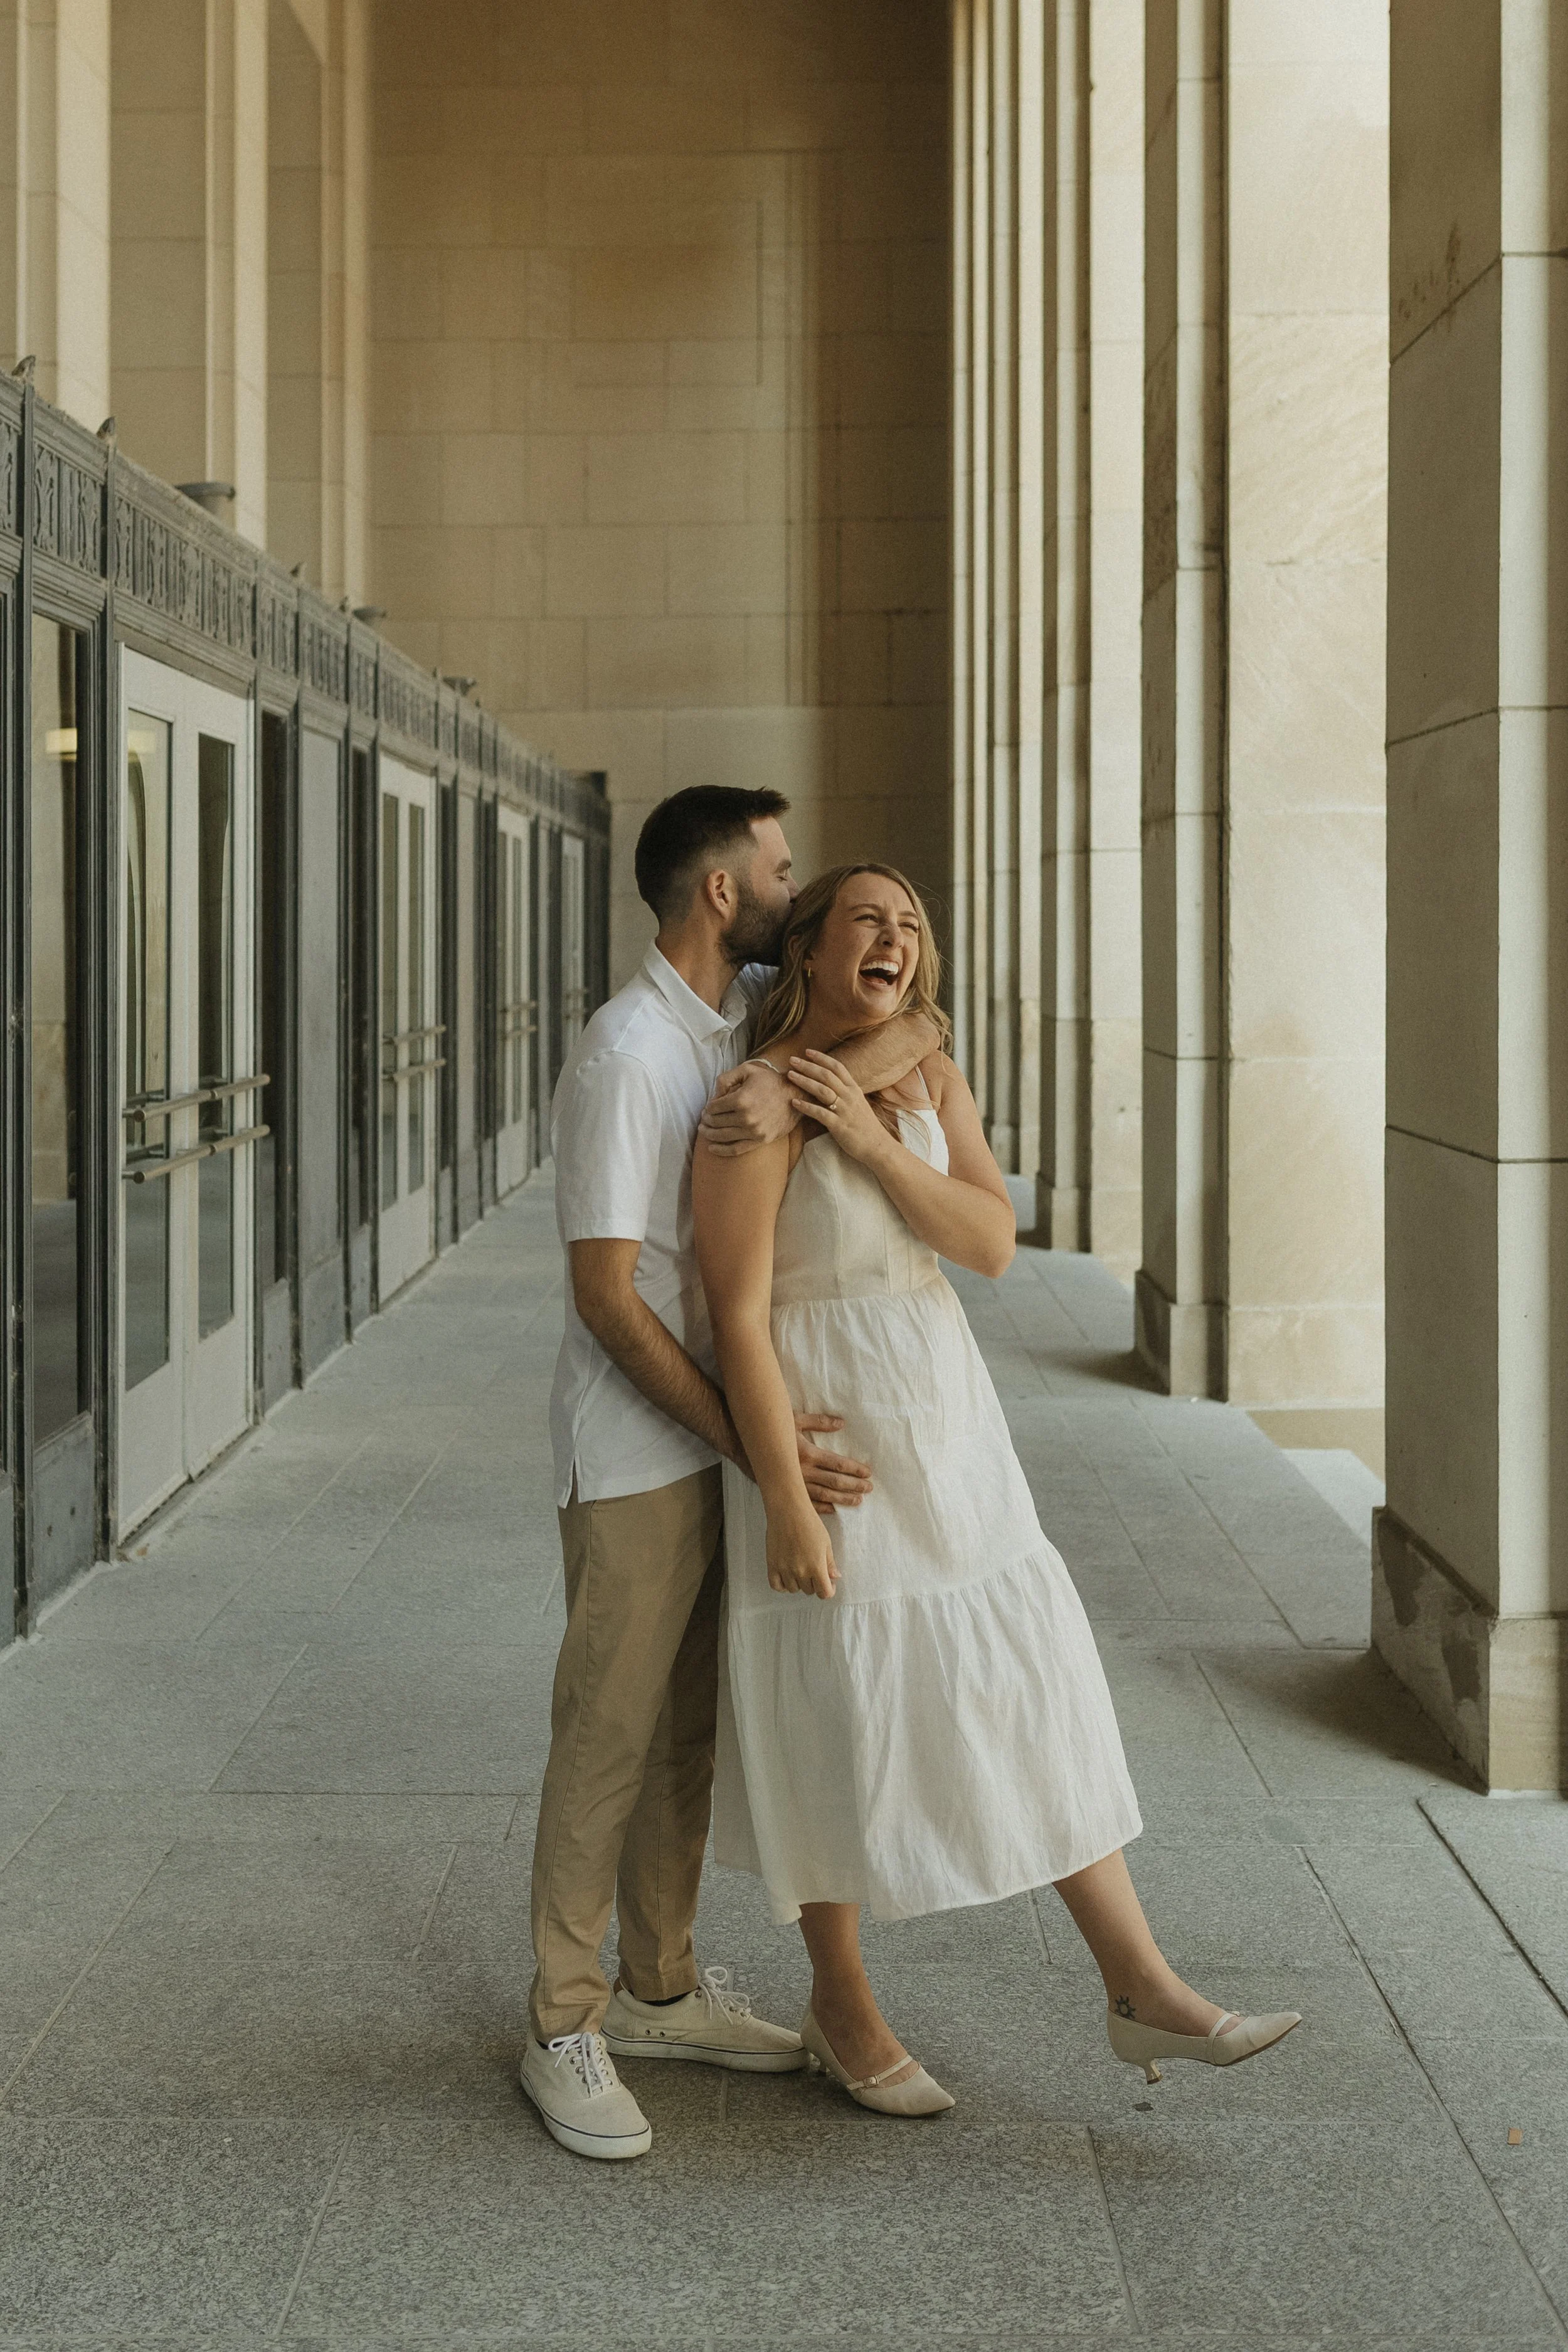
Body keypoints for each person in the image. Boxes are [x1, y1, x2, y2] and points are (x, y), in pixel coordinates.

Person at [693, 864, 1301, 2116]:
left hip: (945, 1421)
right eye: (867, 917)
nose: (896, 937)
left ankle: (1137, 1985)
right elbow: (736, 1317)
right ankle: (839, 2000)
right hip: (828, 1435)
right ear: (806, 951)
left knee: (1024, 1678)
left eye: (911, 924)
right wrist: (782, 1496)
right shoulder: (749, 1110)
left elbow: (985, 1241)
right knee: (831, 1702)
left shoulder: (923, 1075)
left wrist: (866, 1138)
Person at [523, 793, 938, 2161]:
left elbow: (912, 1018)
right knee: (607, 1734)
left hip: (715, 1434)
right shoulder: (631, 1051)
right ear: (717, 892)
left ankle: (658, 1986)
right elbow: (603, 1294)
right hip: (641, 1449)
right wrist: (745, 1441)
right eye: (773, 867)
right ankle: (562, 2021)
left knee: (687, 1734)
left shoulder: (742, 1015)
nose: (793, 883)